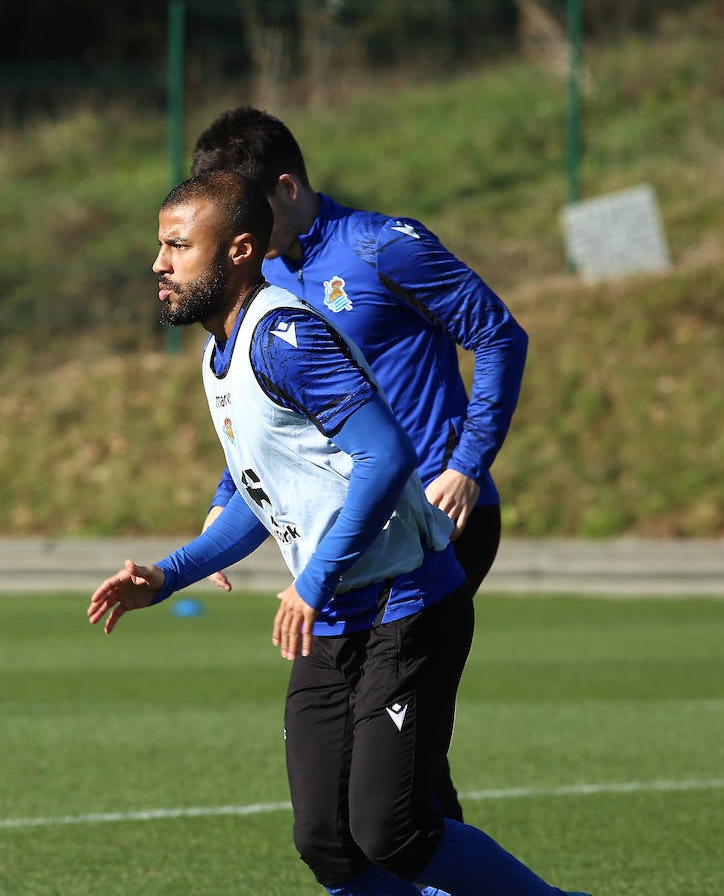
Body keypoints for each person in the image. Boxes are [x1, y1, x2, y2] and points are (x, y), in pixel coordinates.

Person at [88, 170, 586, 896]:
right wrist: (169, 576)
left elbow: (385, 455)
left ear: (239, 250)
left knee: (394, 830)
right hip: (333, 622)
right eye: (161, 245)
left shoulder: (283, 337)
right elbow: (264, 500)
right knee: (327, 842)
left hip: (406, 607)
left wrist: (313, 581)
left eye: (177, 245)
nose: (158, 263)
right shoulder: (220, 353)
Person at [191, 106, 529, 825]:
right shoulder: (262, 281)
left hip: (438, 513)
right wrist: (229, 500)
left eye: (247, 207)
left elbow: (499, 333)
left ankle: (435, 864)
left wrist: (469, 463)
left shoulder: (380, 246)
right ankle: (417, 862)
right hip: (346, 525)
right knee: (380, 761)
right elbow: (267, 411)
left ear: (286, 188)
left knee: (395, 754)